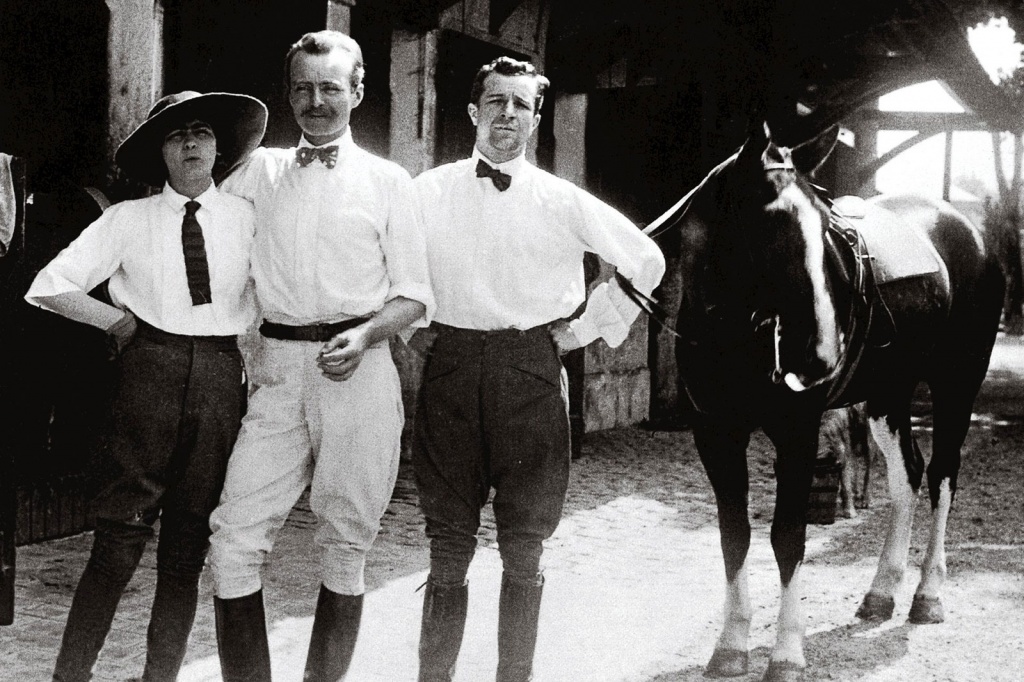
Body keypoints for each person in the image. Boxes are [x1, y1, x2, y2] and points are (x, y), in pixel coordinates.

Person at [412, 56, 666, 682]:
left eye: (520, 105)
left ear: (535, 117)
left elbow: (647, 260)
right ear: (473, 112)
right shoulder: (425, 191)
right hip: (450, 370)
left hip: (529, 373)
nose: (507, 115)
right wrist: (415, 328)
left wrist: (582, 331)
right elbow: (387, 263)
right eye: (495, 101)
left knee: (524, 549)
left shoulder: (561, 200)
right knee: (448, 548)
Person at [207, 30, 434, 681]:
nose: (316, 101)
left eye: (330, 88)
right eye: (303, 89)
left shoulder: (390, 182)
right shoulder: (259, 171)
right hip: (276, 377)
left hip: (358, 376)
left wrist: (364, 336)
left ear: (357, 93)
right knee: (233, 540)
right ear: (289, 93)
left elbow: (413, 296)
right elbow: (219, 250)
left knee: (344, 547)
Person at [25, 90, 267, 682]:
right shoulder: (127, 219)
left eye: (202, 132)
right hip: (147, 380)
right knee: (116, 546)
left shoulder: (247, 219)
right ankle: (69, 676)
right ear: (159, 151)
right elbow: (49, 284)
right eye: (175, 135)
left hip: (217, 381)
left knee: (185, 553)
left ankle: (161, 676)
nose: (190, 144)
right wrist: (117, 321)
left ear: (219, 146)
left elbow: (266, 301)